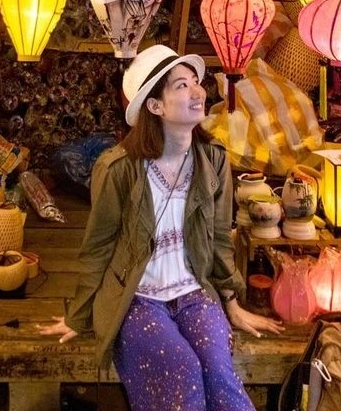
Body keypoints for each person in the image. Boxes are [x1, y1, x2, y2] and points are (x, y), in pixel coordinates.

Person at [40, 44, 283, 410]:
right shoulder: (118, 169)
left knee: (219, 373)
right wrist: (80, 315)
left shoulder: (212, 160)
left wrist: (231, 301)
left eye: (195, 82)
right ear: (155, 106)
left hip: (195, 292)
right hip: (138, 298)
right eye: (181, 86)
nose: (197, 91)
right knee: (181, 370)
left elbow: (219, 238)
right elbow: (98, 247)